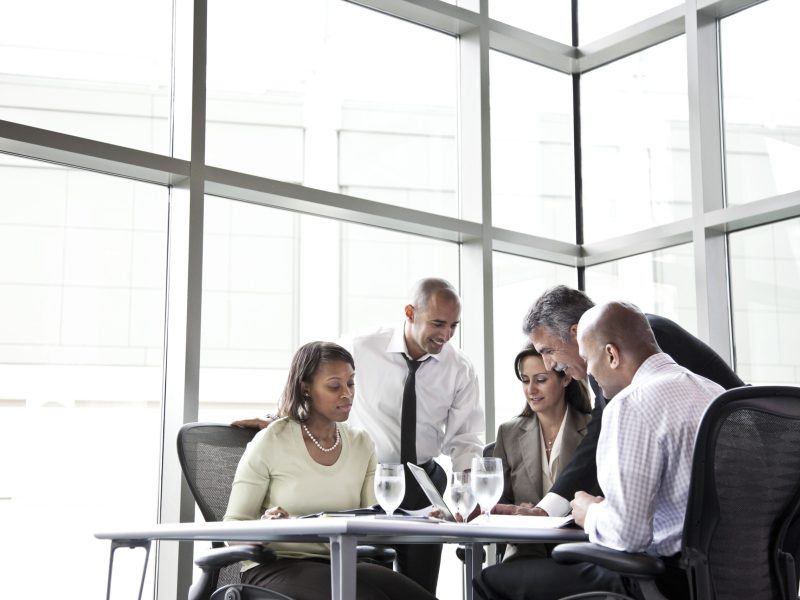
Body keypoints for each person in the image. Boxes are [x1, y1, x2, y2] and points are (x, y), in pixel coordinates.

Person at [233, 278, 485, 594]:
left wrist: (469, 494)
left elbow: (466, 439)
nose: (445, 335)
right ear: (410, 312)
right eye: (438, 323)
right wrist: (279, 418)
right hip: (373, 472)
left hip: (422, 479)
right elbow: (318, 377)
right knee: (365, 574)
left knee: (418, 587)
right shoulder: (362, 346)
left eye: (453, 326)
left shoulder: (459, 367)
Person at [473, 302, 725, 600]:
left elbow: (629, 535)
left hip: (659, 577)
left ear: (611, 354)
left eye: (590, 360)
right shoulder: (715, 394)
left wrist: (590, 512)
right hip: (722, 576)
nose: (589, 372)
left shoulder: (631, 403)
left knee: (491, 580)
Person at [223, 341, 437, 600]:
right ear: (306, 389)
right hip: (277, 566)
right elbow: (233, 526)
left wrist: (419, 518)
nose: (347, 394)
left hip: (342, 562)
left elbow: (374, 519)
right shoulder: (272, 440)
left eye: (351, 383)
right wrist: (264, 530)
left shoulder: (361, 443)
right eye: (334, 386)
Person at [509, 285, 744, 519]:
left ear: (575, 332)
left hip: (732, 495)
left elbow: (631, 520)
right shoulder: (610, 360)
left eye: (548, 351)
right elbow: (599, 438)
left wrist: (594, 513)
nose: (548, 364)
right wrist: (548, 508)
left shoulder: (640, 347)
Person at [492, 343, 591, 561]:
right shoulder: (508, 433)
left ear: (565, 378)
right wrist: (514, 511)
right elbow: (495, 500)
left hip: (579, 551)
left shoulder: (593, 429)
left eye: (541, 380)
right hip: (525, 551)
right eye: (525, 380)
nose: (531, 390)